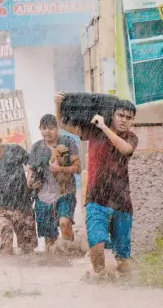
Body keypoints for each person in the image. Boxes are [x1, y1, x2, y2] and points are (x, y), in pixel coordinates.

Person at [55, 93, 139, 278]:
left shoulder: (131, 137)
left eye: (128, 118)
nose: (124, 120)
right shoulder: (94, 131)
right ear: (112, 114)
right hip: (96, 200)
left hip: (122, 203)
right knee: (97, 244)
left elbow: (125, 149)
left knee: (123, 260)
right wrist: (58, 105)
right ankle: (100, 281)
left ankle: (127, 290)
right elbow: (63, 124)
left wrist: (104, 126)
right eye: (121, 116)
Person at [0, 128, 37, 255]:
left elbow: (32, 164)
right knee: (6, 244)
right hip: (2, 209)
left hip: (23, 206)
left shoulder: (14, 150)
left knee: (28, 250)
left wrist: (30, 179)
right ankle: (6, 269)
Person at [27, 114, 81, 251]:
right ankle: (56, 264)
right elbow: (31, 169)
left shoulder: (68, 143)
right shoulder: (36, 148)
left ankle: (72, 255)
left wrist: (60, 169)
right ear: (40, 129)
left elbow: (78, 168)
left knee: (64, 223)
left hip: (65, 192)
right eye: (44, 128)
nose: (47, 132)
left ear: (57, 129)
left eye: (51, 128)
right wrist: (30, 182)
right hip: (43, 197)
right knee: (50, 242)